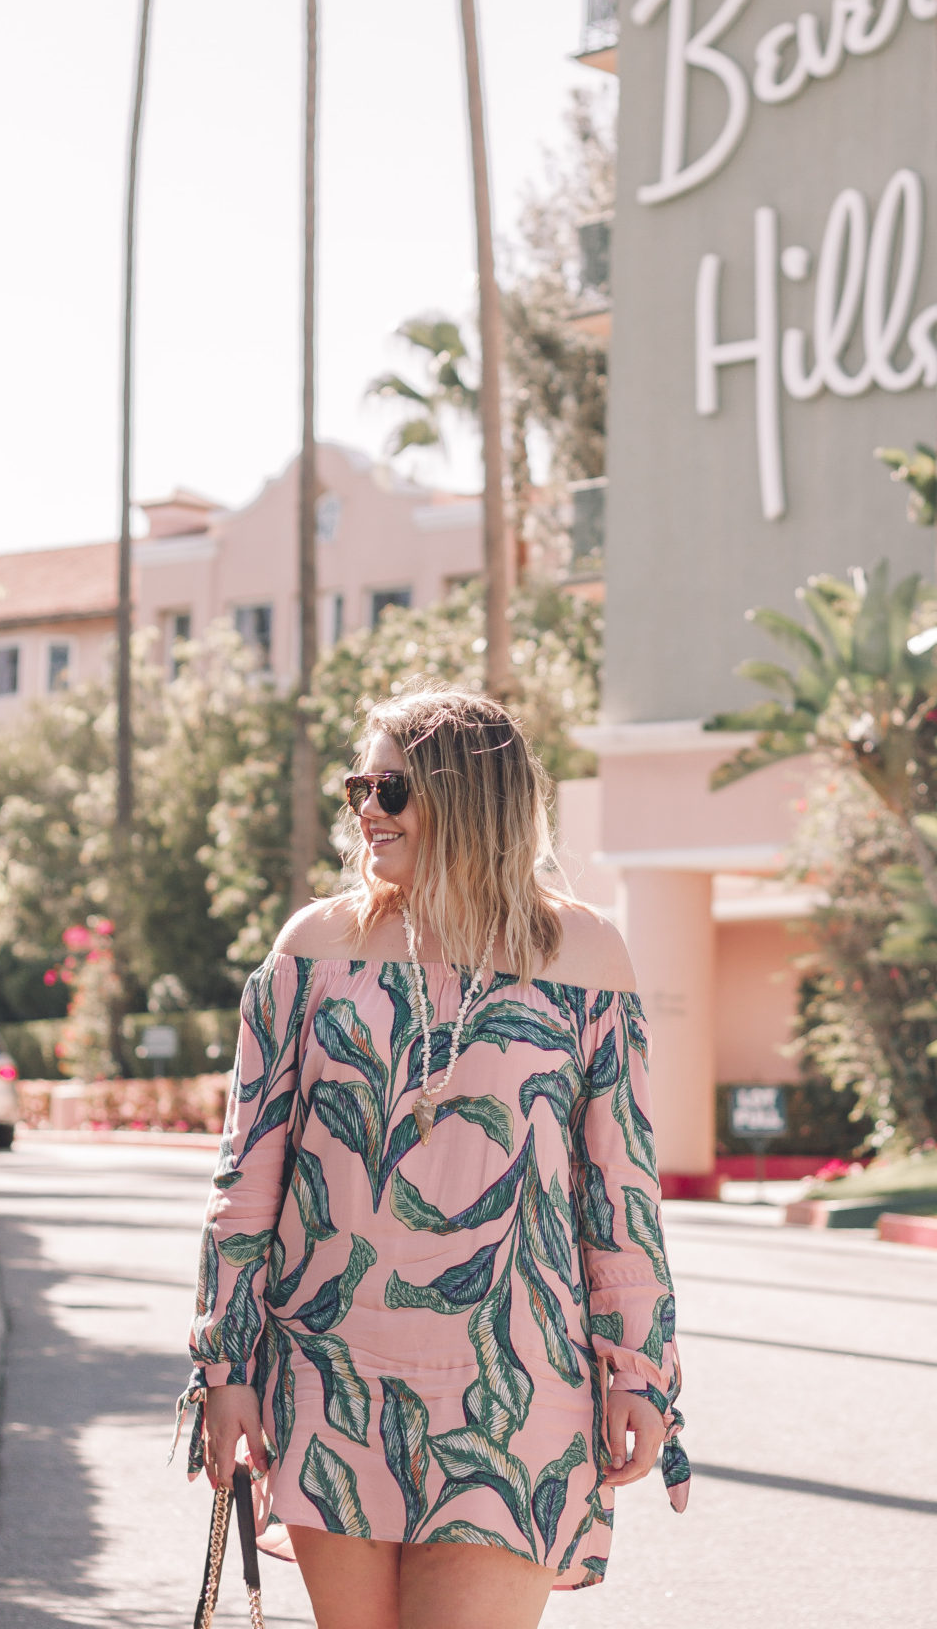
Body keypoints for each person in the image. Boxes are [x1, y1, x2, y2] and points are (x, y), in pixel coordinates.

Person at [179, 687, 688, 1629]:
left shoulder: (583, 955)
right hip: (328, 1373)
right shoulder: (314, 949)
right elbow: (246, 1180)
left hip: (517, 1387)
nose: (367, 809)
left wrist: (642, 1372)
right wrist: (225, 1366)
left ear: (468, 795)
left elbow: (618, 1194)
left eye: (391, 788)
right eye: (357, 787)